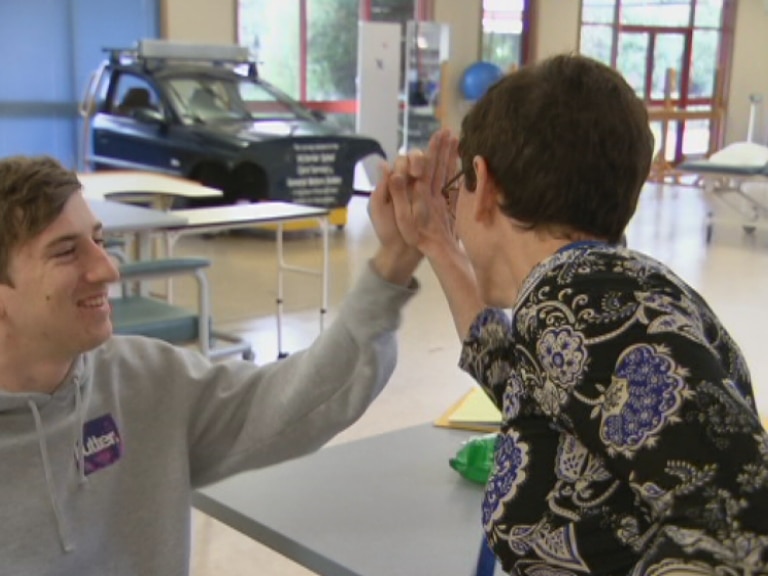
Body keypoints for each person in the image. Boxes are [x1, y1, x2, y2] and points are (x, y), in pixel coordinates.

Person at [383, 54, 768, 575]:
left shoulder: (579, 295)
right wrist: (437, 243)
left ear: (485, 183)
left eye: (459, 192)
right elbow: (538, 391)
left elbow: (742, 524)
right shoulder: (595, 297)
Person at [0, 155, 422, 574]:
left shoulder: (144, 378)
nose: (107, 268)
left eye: (98, 240)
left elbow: (295, 401)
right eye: (66, 252)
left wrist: (395, 259)